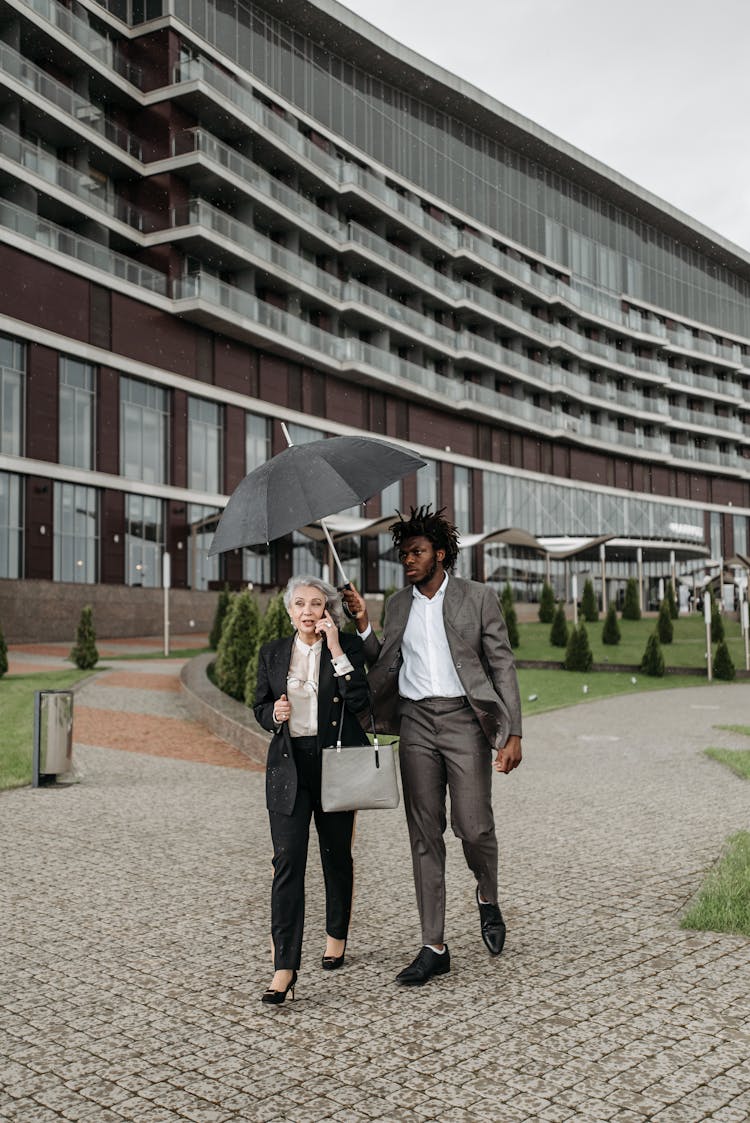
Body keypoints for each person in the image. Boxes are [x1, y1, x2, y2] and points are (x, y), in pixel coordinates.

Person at [342, 506, 522, 987]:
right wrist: (362, 626)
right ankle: (433, 946)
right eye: (404, 555)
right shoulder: (397, 604)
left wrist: (513, 734)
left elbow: (502, 666)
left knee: (474, 825)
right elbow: (384, 662)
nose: (408, 561)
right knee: (424, 833)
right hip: (417, 721)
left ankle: (487, 895)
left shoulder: (478, 598)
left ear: (440, 554)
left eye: (417, 552)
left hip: (465, 721)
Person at [254, 575, 370, 1005]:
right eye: (299, 603)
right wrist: (273, 713)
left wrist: (337, 647)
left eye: (316, 604)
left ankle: (336, 932)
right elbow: (259, 704)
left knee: (335, 854)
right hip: (289, 767)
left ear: (326, 611)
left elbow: (359, 700)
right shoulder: (272, 653)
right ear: (289, 610)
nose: (307, 611)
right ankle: (284, 967)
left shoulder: (345, 648)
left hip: (334, 763)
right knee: (287, 862)